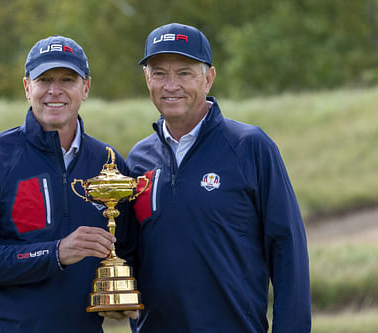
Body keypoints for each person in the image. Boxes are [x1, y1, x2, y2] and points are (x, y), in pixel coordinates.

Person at [125, 23, 312, 332]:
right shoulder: (136, 161)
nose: (171, 85)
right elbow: (129, 252)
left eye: (184, 73)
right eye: (159, 73)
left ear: (209, 78)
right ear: (147, 79)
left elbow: (287, 247)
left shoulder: (250, 146)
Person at [0, 35, 127, 332]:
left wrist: (121, 296)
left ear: (86, 88)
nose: (54, 91)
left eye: (67, 80)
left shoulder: (109, 163)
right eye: (44, 79)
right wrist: (55, 253)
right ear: (27, 87)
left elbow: (126, 249)